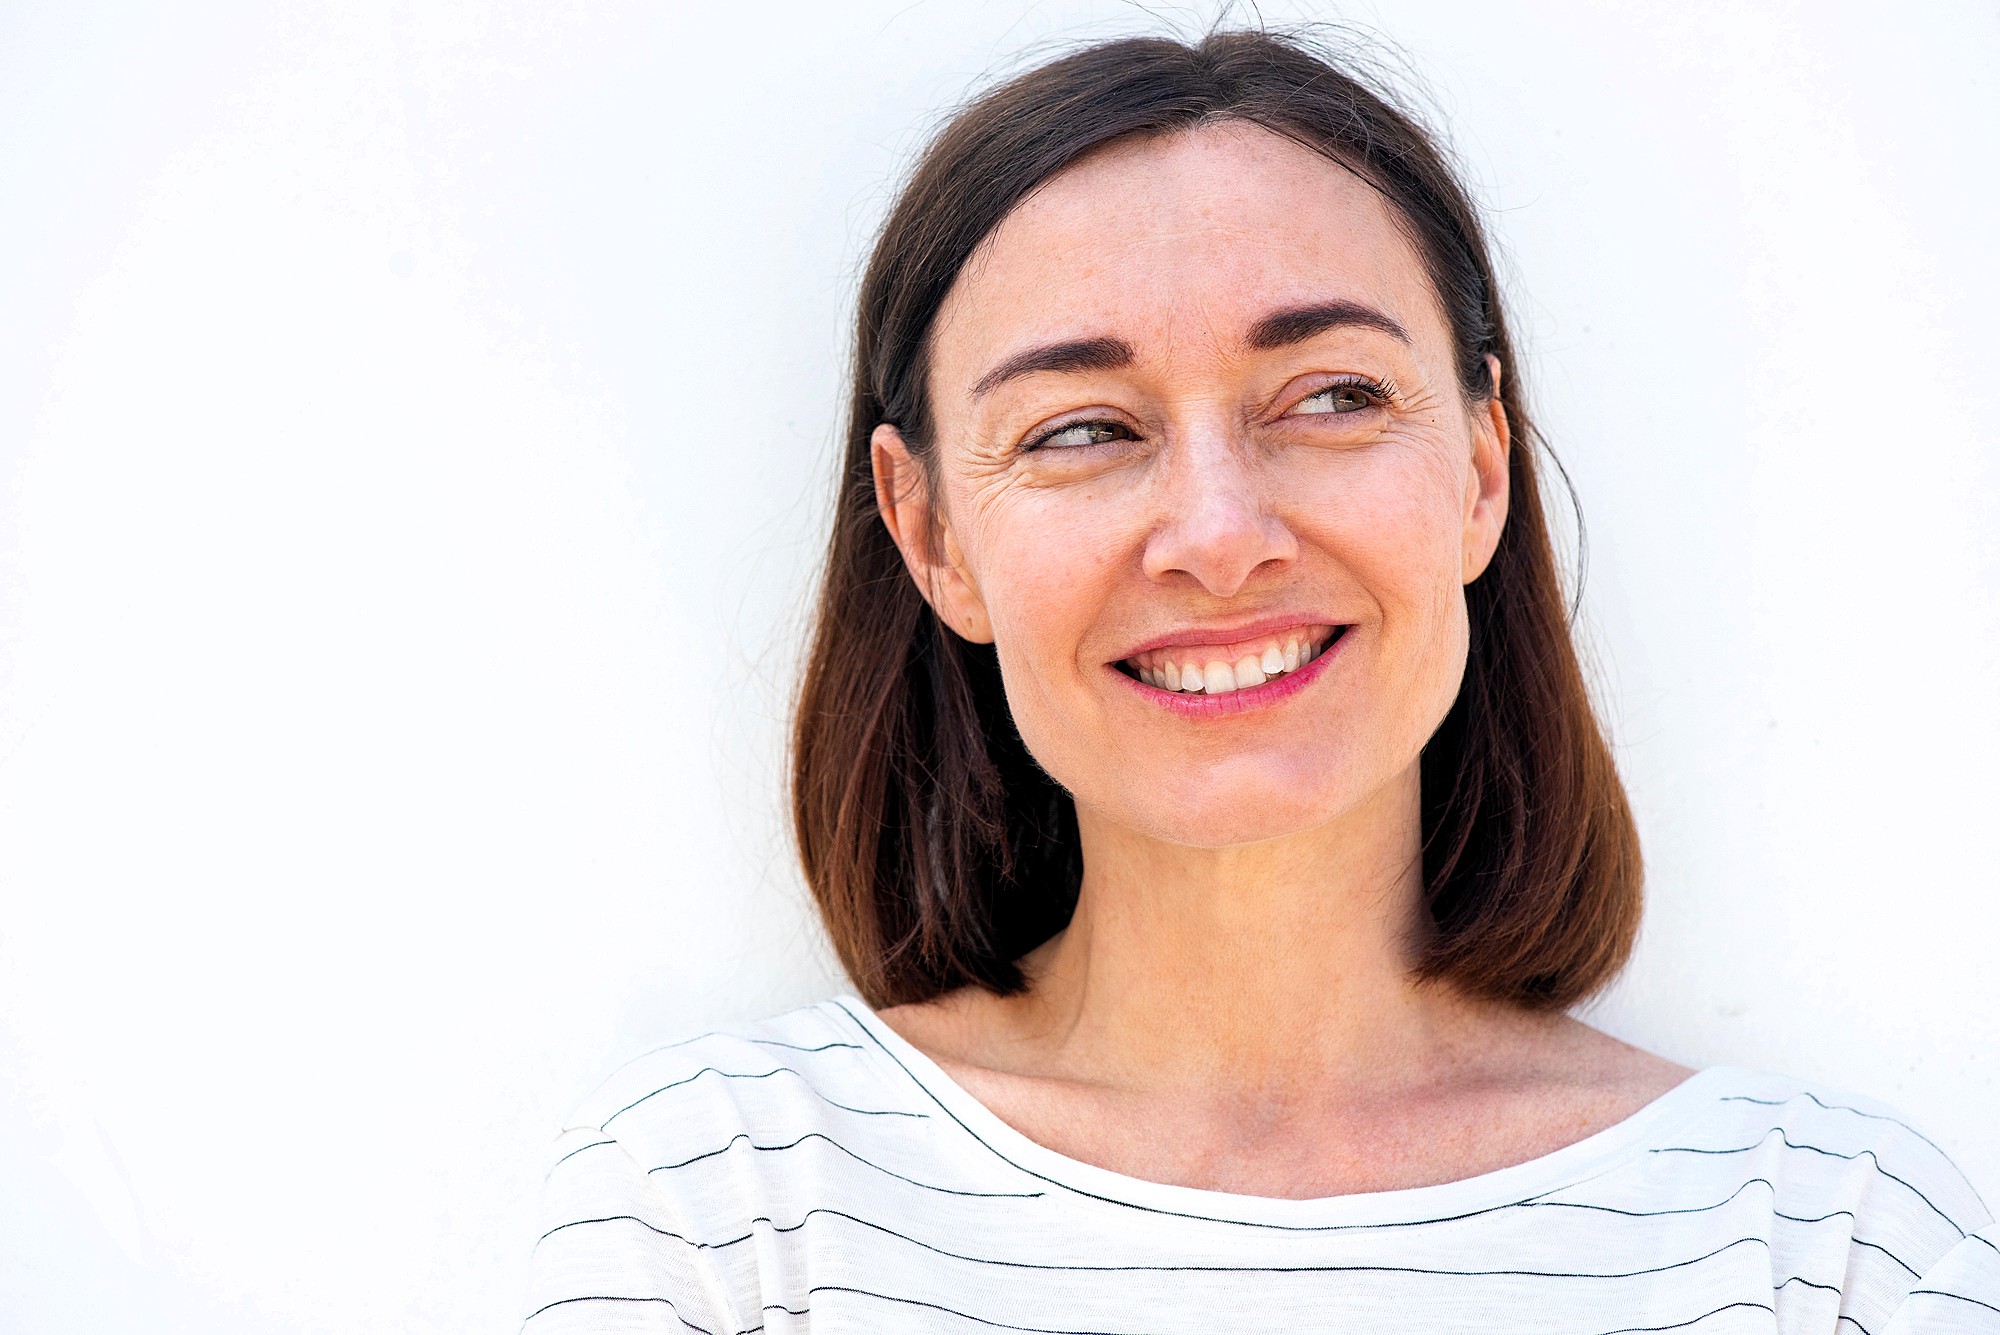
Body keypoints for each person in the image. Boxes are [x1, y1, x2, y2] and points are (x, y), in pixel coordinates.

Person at [523, 29, 1997, 1333]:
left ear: (1482, 469)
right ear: (930, 535)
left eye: (1335, 397)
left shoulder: (1829, 1251)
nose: (1222, 537)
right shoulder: (722, 1216)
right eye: (1082, 429)